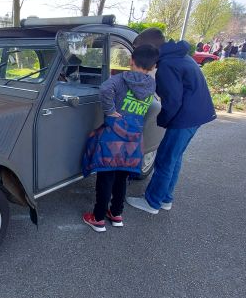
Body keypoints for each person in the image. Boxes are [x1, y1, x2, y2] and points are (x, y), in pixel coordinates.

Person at [125, 29, 216, 214]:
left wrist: (163, 121)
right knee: (174, 159)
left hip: (184, 118)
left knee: (165, 159)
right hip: (195, 115)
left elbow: (172, 101)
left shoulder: (167, 65)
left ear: (150, 47)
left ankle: (152, 202)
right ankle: (165, 198)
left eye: (138, 49)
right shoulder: (180, 56)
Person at [81, 45, 159, 231]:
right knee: (122, 177)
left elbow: (104, 88)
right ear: (153, 66)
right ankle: (116, 214)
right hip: (133, 138)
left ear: (131, 61)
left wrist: (110, 111)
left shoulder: (120, 80)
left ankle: (98, 218)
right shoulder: (151, 83)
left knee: (106, 176)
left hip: (114, 135)